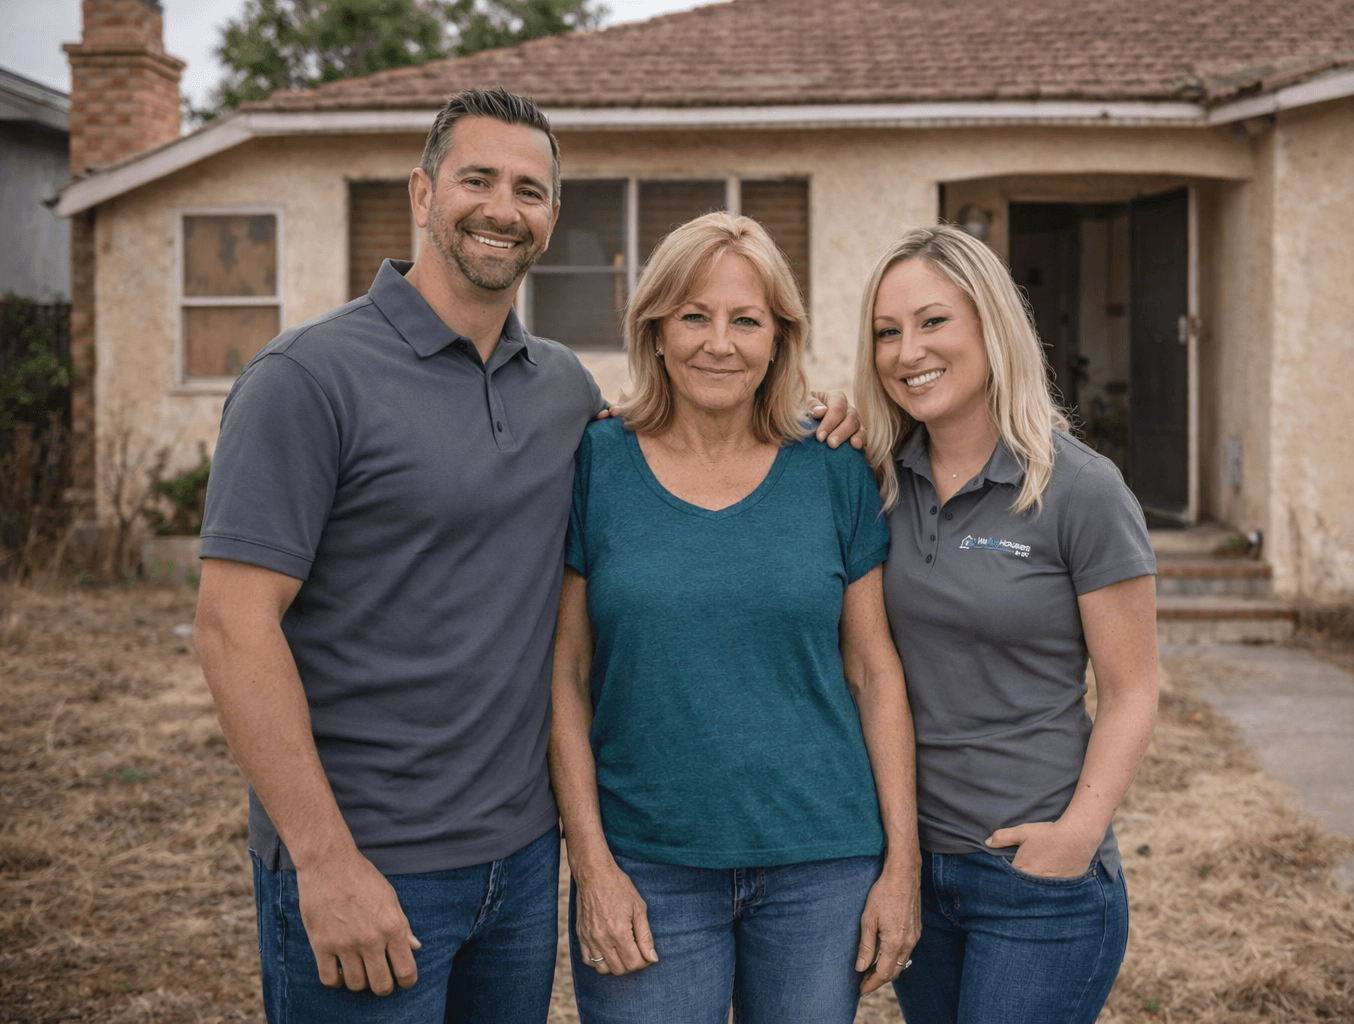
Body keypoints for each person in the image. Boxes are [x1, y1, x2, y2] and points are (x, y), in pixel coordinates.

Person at [193, 89, 860, 1024]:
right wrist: (323, 859)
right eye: (478, 179)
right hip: (370, 861)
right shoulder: (306, 380)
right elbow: (232, 627)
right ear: (422, 193)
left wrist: (812, 411)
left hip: (518, 865)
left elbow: (687, 448)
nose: (504, 208)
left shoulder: (561, 391)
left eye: (530, 190)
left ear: (551, 217)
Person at [548, 211, 920, 1024]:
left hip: (822, 863)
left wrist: (903, 865)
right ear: (654, 329)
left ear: (779, 338)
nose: (719, 343)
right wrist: (594, 866)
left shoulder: (832, 465)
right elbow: (565, 677)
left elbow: (873, 670)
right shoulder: (597, 465)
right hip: (648, 864)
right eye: (694, 316)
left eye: (745, 319)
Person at [852, 225, 1160, 1024]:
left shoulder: (1082, 491)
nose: (906, 350)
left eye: (932, 322)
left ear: (991, 325)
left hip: (1035, 880)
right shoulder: (877, 481)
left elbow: (1133, 690)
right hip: (915, 866)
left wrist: (1075, 836)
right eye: (887, 332)